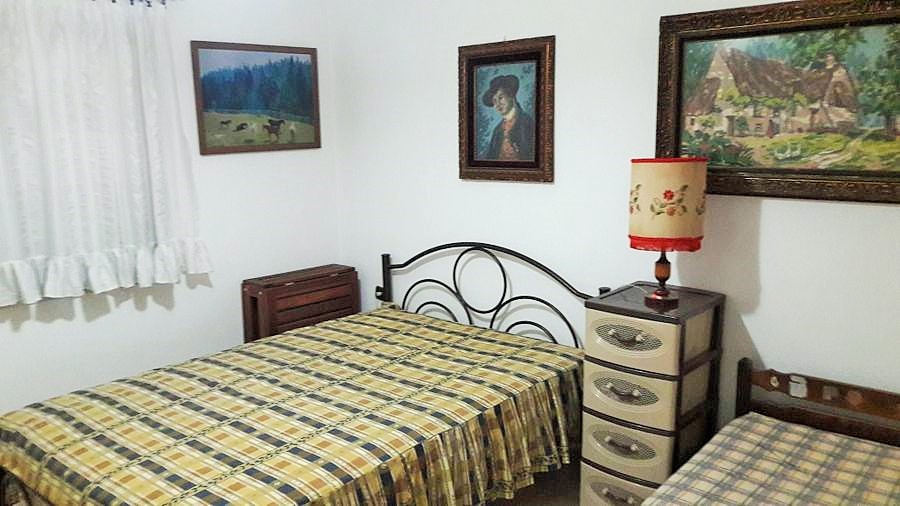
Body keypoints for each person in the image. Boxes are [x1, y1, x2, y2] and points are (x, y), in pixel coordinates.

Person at [481, 74, 535, 161]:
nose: (497, 104)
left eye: (501, 98)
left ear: (511, 96)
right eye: (494, 101)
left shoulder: (527, 123)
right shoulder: (497, 131)